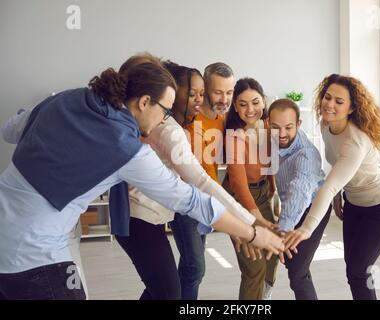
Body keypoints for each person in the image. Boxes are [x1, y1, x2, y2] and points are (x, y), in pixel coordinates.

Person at [0, 58, 284, 300]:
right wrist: (253, 232)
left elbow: (10, 131)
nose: (164, 120)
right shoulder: (127, 149)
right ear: (145, 101)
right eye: (164, 111)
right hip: (34, 255)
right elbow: (190, 199)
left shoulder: (65, 98)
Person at [114, 55, 260, 300]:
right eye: (195, 94)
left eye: (228, 92)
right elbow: (198, 179)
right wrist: (246, 221)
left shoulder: (208, 121)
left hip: (165, 209)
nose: (200, 100)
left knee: (165, 286)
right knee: (184, 276)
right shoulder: (171, 128)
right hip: (162, 209)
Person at [283, 74, 380, 300]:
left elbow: (329, 186)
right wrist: (340, 198)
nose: (329, 104)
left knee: (359, 271)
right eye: (327, 97)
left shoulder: (355, 141)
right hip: (354, 205)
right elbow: (338, 168)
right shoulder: (326, 124)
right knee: (353, 269)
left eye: (339, 101)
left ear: (351, 108)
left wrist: (306, 229)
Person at [167, 62, 235, 299]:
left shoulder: (222, 118)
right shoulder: (189, 122)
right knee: (195, 267)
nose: (224, 98)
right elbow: (199, 174)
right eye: (218, 92)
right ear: (205, 89)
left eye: (229, 92)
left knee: (190, 267)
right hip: (187, 200)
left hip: (206, 200)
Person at [268, 98, 331, 300]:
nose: (282, 134)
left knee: (297, 272)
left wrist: (284, 229)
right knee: (294, 264)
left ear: (298, 124)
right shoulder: (271, 139)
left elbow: (299, 192)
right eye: (276, 127)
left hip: (313, 208)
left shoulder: (306, 155)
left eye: (288, 127)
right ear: (268, 124)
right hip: (292, 206)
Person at [222, 77, 279, 300]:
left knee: (273, 253)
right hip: (240, 200)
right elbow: (238, 182)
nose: (250, 109)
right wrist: (254, 218)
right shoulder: (234, 136)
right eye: (243, 104)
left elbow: (272, 164)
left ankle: (263, 297)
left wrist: (274, 192)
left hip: (264, 193)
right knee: (254, 266)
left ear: (263, 102)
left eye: (255, 102)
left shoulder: (269, 127)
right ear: (235, 106)